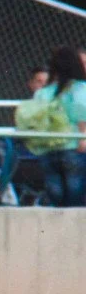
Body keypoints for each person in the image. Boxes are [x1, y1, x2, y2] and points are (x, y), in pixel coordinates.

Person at [26, 46, 86, 207]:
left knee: (55, 194)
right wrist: (83, 136)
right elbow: (82, 112)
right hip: (73, 147)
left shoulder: (43, 93)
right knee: (76, 195)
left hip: (49, 148)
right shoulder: (80, 89)